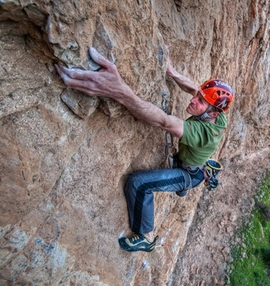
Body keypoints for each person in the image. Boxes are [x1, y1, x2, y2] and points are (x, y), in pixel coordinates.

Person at [55, 47, 234, 252]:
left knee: (139, 183)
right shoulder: (218, 113)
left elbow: (164, 122)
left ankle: (146, 237)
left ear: (212, 113)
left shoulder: (204, 133)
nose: (194, 100)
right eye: (200, 97)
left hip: (188, 174)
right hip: (191, 161)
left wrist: (119, 92)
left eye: (200, 102)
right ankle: (181, 181)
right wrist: (172, 72)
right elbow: (194, 89)